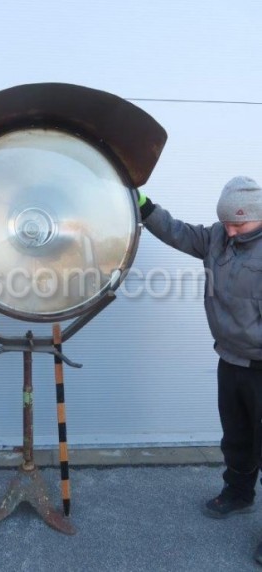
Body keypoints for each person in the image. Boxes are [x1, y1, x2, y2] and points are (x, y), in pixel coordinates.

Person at [138, 176, 262, 566]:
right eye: (225, 222)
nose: (231, 230)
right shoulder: (215, 239)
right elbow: (176, 232)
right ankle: (238, 494)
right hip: (230, 359)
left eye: (238, 224)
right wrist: (143, 205)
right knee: (237, 437)